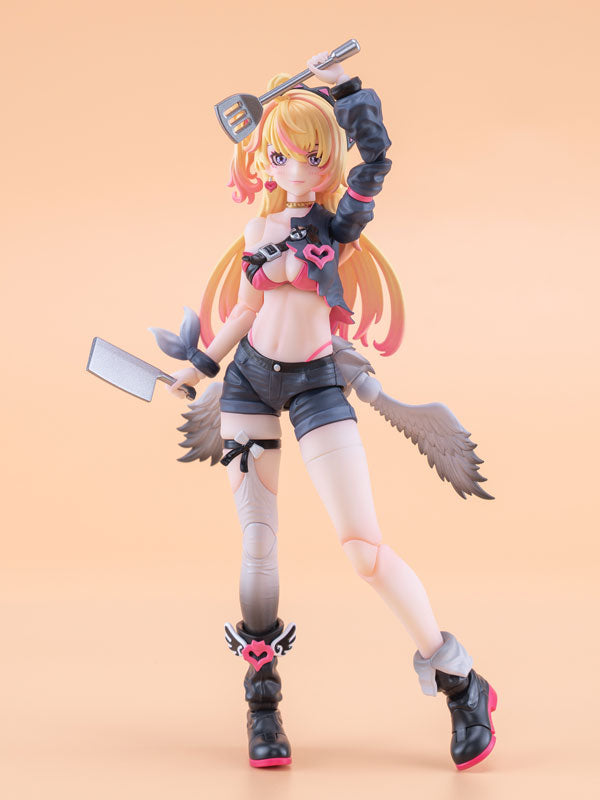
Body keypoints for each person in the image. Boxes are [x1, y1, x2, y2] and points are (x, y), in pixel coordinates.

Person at [158, 52, 497, 771]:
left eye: (311, 156)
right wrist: (198, 367)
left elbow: (376, 162)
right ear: (264, 158)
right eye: (281, 154)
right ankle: (262, 699)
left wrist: (348, 92)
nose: (296, 169)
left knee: (363, 550)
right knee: (257, 543)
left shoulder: (340, 226)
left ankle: (460, 678)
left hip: (316, 385)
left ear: (326, 161)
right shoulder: (256, 235)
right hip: (249, 383)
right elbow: (243, 312)